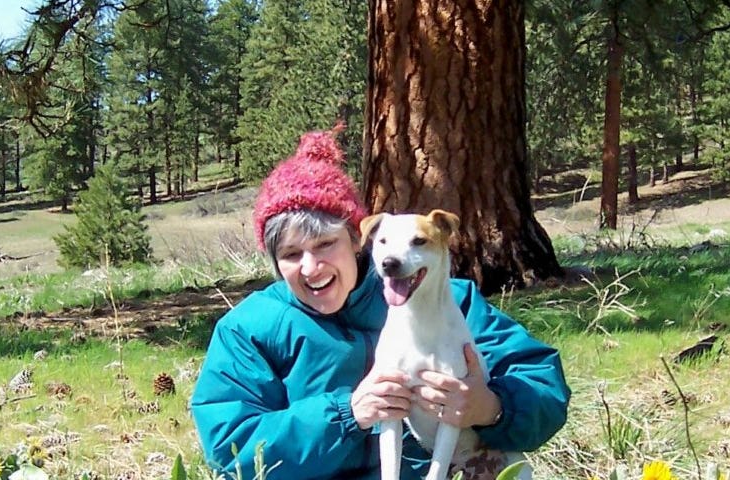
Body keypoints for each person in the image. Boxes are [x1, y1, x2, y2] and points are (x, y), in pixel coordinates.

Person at [190, 126, 570, 479]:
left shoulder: (453, 302)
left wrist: (490, 406)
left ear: (359, 240)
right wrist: (347, 414)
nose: (311, 267)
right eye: (291, 254)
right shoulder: (248, 330)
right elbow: (229, 446)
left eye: (326, 245)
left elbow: (542, 384)